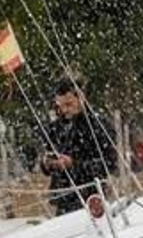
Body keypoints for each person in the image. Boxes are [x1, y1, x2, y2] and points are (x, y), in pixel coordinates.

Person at [38, 78, 117, 215]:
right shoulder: (56, 128)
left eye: (69, 104)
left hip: (91, 197)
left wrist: (74, 164)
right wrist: (47, 163)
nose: (65, 110)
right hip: (63, 199)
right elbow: (47, 165)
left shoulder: (98, 125)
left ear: (81, 98)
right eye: (60, 106)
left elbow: (109, 163)